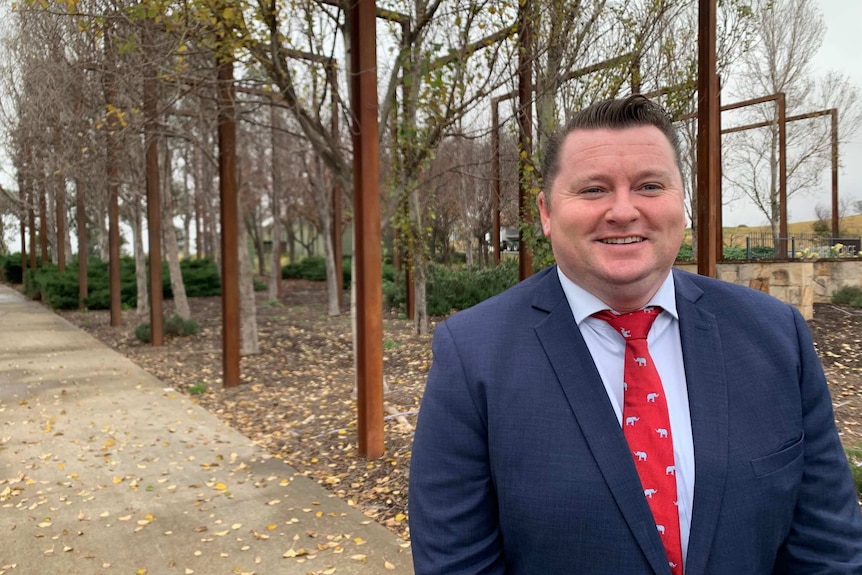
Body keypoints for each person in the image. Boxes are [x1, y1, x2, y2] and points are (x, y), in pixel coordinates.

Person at [408, 94, 862, 575]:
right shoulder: (472, 354)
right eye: (593, 190)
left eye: (649, 185)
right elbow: (458, 563)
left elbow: (827, 548)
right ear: (545, 213)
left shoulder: (775, 335)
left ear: (682, 204)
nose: (623, 211)